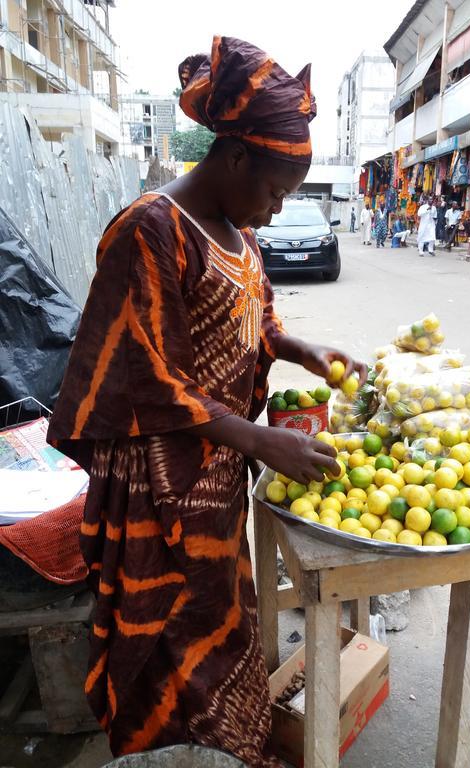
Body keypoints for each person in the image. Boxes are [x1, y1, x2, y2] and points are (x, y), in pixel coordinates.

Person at [46, 36, 366, 767]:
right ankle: (174, 756)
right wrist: (259, 440)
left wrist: (297, 349)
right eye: (277, 189)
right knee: (163, 637)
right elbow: (140, 376)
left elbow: (251, 317)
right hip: (158, 487)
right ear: (234, 158)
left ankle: (231, 747)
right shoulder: (149, 232)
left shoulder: (239, 234)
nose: (278, 207)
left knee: (223, 625)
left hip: (216, 476)